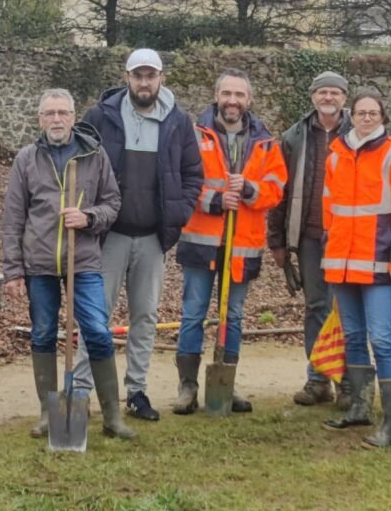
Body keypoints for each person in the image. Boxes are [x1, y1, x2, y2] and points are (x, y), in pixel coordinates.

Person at [73, 48, 202, 422]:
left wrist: (177, 214)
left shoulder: (178, 122)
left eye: (151, 75)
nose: (144, 82)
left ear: (161, 78)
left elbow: (193, 173)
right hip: (108, 236)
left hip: (151, 239)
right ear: (126, 77)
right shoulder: (102, 117)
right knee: (96, 316)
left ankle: (137, 392)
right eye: (137, 75)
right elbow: (78, 167)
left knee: (145, 317)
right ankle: (81, 391)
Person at [1, 89, 135, 440]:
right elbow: (13, 218)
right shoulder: (27, 159)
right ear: (39, 119)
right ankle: (49, 413)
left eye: (63, 112)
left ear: (74, 117)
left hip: (85, 261)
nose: (56, 119)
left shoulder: (94, 155)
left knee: (98, 332)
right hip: (40, 264)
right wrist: (13, 270)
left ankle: (112, 417)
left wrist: (88, 217)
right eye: (50, 113)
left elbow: (112, 202)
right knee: (43, 334)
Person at [172, 68, 286, 415]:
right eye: (226, 94)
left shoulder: (266, 144)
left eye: (239, 95)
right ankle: (187, 387)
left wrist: (251, 191)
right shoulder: (193, 135)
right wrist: (215, 201)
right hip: (201, 241)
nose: (232, 101)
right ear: (216, 96)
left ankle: (226, 382)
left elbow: (277, 188)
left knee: (233, 317)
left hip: (242, 245)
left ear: (248, 100)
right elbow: (179, 181)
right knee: (193, 314)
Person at [321, 91, 391, 448]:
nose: (366, 118)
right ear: (353, 115)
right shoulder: (336, 155)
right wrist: (328, 250)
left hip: (380, 265)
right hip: (342, 264)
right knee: (352, 337)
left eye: (373, 113)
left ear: (383, 117)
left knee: (380, 338)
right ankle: (359, 410)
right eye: (361, 113)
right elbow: (329, 208)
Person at [267, 71, 351, 407]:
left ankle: (347, 382)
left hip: (348, 238)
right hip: (310, 238)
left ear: (344, 98)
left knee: (347, 310)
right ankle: (318, 380)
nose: (328, 98)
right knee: (316, 307)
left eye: (335, 92)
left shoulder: (359, 133)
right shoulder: (293, 137)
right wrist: (276, 239)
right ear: (312, 96)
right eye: (322, 92)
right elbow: (279, 190)